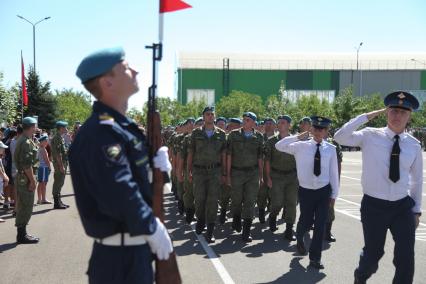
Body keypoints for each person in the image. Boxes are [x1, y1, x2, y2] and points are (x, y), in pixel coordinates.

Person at [70, 47, 173, 283]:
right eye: (126, 67)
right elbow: (118, 192)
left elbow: (137, 182)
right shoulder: (101, 133)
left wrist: (160, 173)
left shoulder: (123, 129)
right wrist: (152, 227)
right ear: (107, 82)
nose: (135, 70)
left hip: (135, 252)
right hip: (119, 261)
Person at [334, 91, 423, 284]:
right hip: (374, 206)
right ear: (386, 112)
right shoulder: (369, 136)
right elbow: (340, 137)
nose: (397, 116)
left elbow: (416, 180)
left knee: (406, 256)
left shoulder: (414, 145)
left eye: (403, 112)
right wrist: (367, 116)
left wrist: (416, 211)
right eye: (393, 111)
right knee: (373, 255)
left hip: (402, 207)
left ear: (409, 116)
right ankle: (361, 275)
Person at [275, 116, 339, 269]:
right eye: (315, 128)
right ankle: (299, 237)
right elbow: (279, 145)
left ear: (326, 131)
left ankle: (315, 258)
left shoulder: (331, 149)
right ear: (311, 129)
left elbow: (333, 174)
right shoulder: (300, 146)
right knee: (306, 220)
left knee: (320, 225)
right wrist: (298, 136)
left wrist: (334, 195)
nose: (318, 132)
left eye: (321, 129)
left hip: (323, 191)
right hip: (306, 191)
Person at [187, 106, 226, 243]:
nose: (210, 116)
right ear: (203, 117)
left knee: (213, 201)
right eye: (207, 114)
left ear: (214, 117)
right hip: (199, 171)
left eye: (212, 114)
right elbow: (191, 153)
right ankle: (200, 220)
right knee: (199, 199)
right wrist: (189, 171)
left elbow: (223, 155)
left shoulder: (221, 134)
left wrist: (224, 173)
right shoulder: (196, 133)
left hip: (215, 171)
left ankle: (210, 230)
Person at [227, 112, 264, 242]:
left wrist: (261, 175)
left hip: (252, 173)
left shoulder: (259, 137)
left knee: (250, 201)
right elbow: (229, 155)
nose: (245, 121)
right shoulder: (233, 135)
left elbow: (260, 157)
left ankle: (246, 231)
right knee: (236, 199)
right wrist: (227, 174)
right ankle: (236, 218)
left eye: (248, 120)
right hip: (236, 172)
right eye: (244, 119)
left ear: (253, 122)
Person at [264, 115, 298, 241]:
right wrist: (268, 178)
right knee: (277, 202)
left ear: (289, 125)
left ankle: (289, 229)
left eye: (283, 123)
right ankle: (273, 216)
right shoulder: (271, 141)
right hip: (276, 175)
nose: (280, 125)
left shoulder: (296, 140)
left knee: (291, 202)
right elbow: (267, 161)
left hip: (292, 176)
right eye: (279, 123)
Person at [14, 117, 40, 244]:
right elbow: (26, 164)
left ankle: (22, 233)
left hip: (24, 177)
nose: (36, 128)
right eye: (35, 126)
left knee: (26, 205)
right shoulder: (25, 142)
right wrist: (33, 180)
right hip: (26, 178)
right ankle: (21, 235)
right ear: (30, 127)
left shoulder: (26, 139)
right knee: (26, 206)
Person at [219, 118, 241, 224]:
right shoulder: (225, 137)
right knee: (225, 194)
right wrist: (224, 173)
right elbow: (223, 155)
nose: (231, 127)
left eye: (234, 125)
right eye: (230, 126)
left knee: (238, 195)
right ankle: (223, 212)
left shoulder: (242, 137)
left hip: (239, 171)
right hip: (227, 169)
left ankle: (236, 217)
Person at [257, 118, 276, 223]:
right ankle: (261, 212)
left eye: (270, 123)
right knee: (262, 193)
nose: (268, 125)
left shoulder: (278, 139)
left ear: (274, 126)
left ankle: (271, 210)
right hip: (262, 169)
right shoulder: (259, 138)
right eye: (266, 123)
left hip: (276, 170)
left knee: (275, 194)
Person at [50, 121, 69, 209]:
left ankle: (59, 201)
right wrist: (61, 166)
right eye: (65, 127)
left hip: (62, 162)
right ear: (61, 128)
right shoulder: (57, 138)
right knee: (58, 182)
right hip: (59, 164)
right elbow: (58, 154)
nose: (66, 129)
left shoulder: (60, 137)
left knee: (60, 182)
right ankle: (56, 203)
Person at [36, 134, 52, 205]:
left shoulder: (40, 148)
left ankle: (40, 199)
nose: (47, 142)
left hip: (41, 167)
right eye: (45, 141)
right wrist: (49, 167)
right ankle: (43, 199)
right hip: (44, 168)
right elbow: (46, 160)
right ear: (41, 142)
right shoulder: (43, 149)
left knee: (41, 183)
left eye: (47, 141)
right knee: (43, 184)